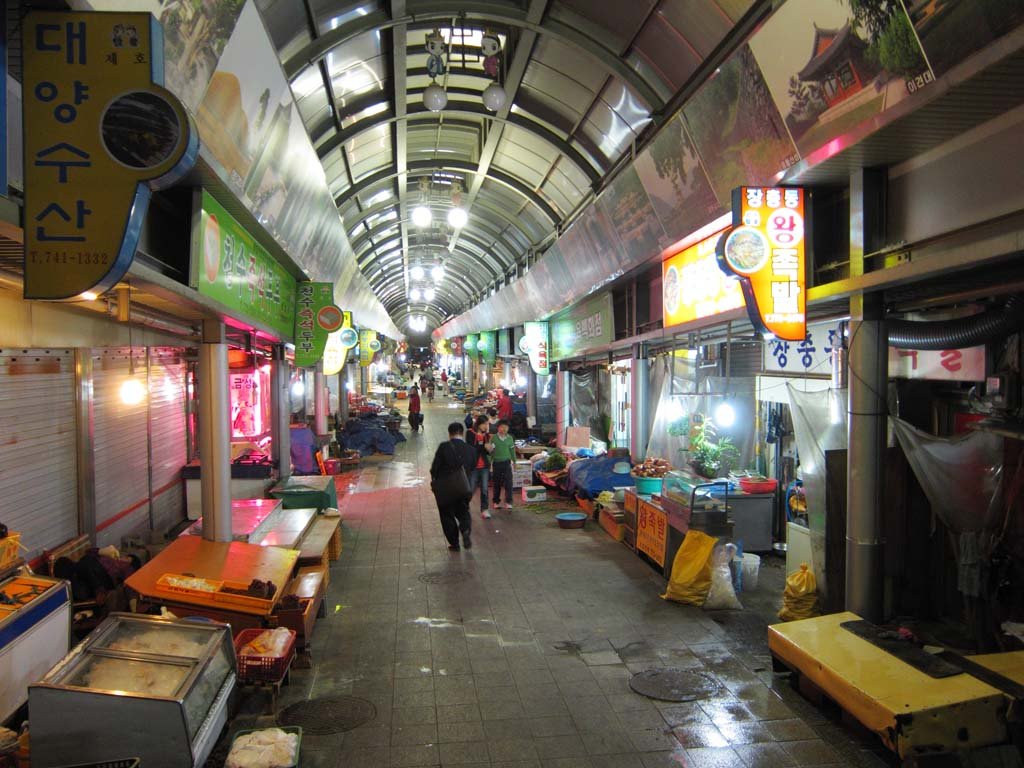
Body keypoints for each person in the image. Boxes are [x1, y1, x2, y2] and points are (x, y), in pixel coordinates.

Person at [430, 422, 476, 551]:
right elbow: (472, 467)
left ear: (449, 433)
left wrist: (435, 480)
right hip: (463, 487)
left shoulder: (444, 447)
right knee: (463, 512)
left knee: (446, 515)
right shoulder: (471, 450)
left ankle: (454, 543)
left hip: (445, 489)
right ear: (462, 433)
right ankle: (465, 530)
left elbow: (434, 468)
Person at [469, 416, 494, 519]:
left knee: (484, 489)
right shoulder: (470, 433)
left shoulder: (487, 436)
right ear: (479, 424)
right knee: (471, 489)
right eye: (484, 424)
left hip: (484, 466)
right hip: (473, 466)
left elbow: (488, 451)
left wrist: (490, 449)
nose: (486, 426)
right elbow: (470, 448)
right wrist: (483, 446)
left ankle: (484, 509)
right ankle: (464, 508)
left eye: (487, 424)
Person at [490, 419, 515, 510]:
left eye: (506, 428)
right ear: (498, 428)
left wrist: (514, 461)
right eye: (502, 427)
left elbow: (512, 451)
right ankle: (496, 502)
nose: (504, 429)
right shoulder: (494, 438)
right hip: (496, 464)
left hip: (507, 463)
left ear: (508, 429)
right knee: (497, 483)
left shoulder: (510, 438)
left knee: (509, 483)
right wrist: (489, 463)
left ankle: (508, 502)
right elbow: (491, 452)